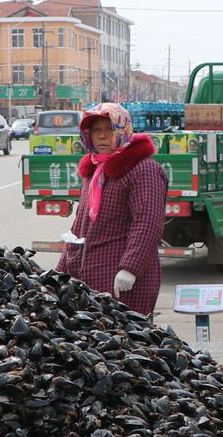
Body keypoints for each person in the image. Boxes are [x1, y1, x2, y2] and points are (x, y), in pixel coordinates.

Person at [55, 103, 166, 314]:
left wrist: (130, 269)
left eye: (109, 129)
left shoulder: (143, 169)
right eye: (97, 130)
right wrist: (60, 271)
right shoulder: (95, 168)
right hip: (89, 277)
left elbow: (147, 222)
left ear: (123, 129)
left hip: (123, 280)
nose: (102, 137)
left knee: (129, 341)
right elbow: (79, 226)